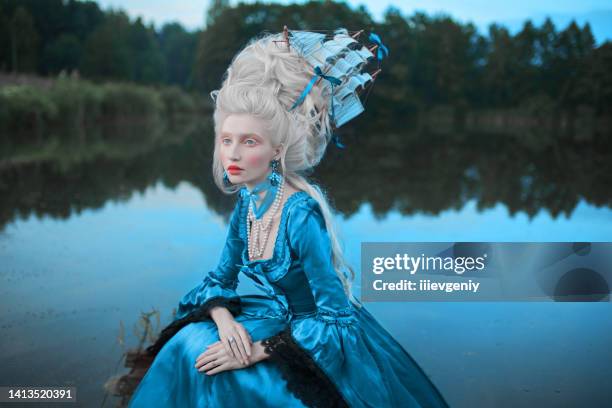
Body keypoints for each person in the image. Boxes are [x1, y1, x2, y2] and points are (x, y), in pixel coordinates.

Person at [128, 28, 449, 408]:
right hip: (272, 317)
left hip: (317, 332)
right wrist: (226, 323)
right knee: (190, 346)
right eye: (226, 139)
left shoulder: (300, 214)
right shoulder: (248, 203)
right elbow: (219, 278)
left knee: (256, 383)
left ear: (277, 150)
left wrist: (259, 349)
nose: (232, 154)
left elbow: (336, 316)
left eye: (249, 142)